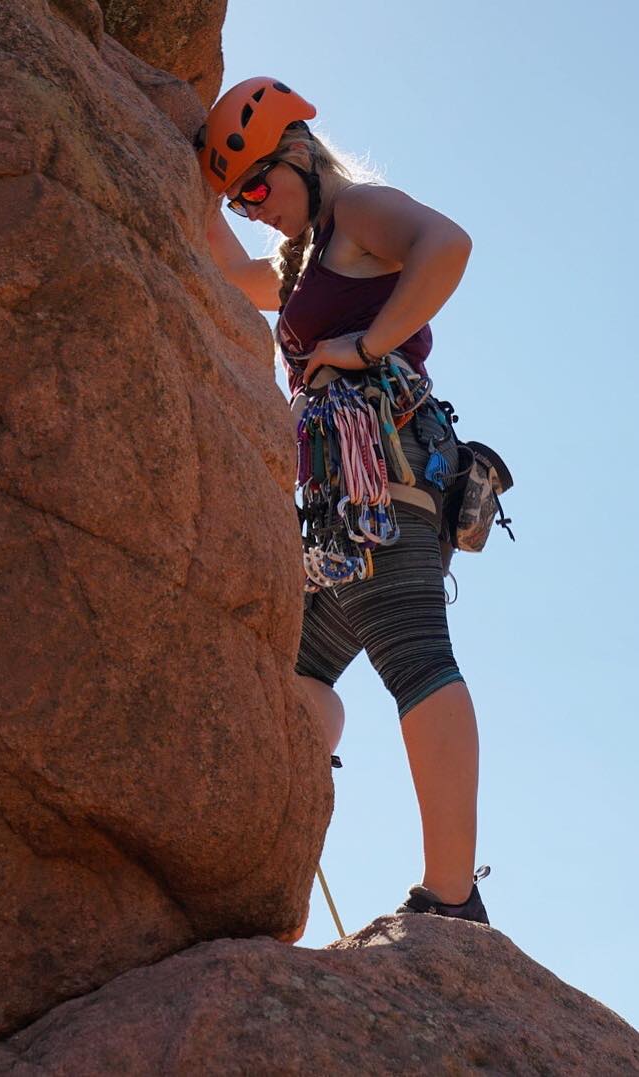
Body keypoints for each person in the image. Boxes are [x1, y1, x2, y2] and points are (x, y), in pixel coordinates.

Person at [195, 78, 489, 925]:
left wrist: (367, 341)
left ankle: (451, 895)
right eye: (239, 198)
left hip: (384, 477)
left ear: (299, 156)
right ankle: (297, 818)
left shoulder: (357, 211)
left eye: (257, 186)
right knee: (288, 675)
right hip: (334, 508)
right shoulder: (296, 266)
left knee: (414, 654)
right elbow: (225, 268)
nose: (253, 208)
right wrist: (188, 169)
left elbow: (448, 244)